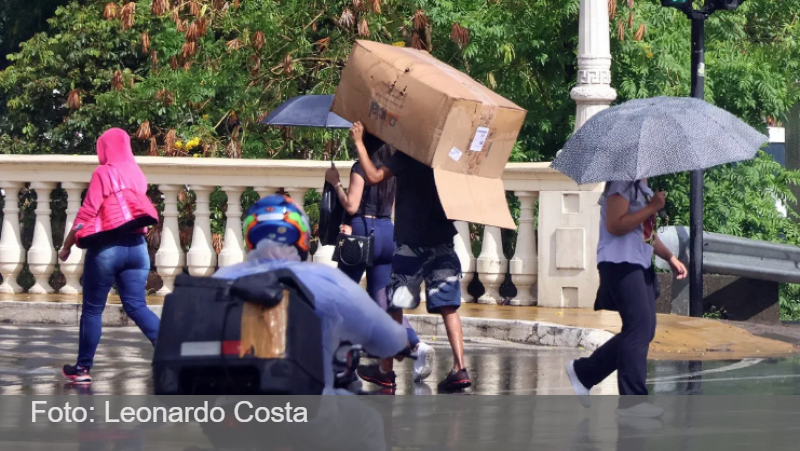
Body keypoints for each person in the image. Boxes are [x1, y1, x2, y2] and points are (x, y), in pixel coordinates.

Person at [212, 194, 410, 395]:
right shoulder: (324, 279)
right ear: (301, 236)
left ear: (250, 236)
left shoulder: (222, 277)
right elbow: (388, 339)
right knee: (370, 422)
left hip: (234, 401)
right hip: (308, 408)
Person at [347, 122, 470, 392]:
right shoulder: (446, 158)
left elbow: (374, 176)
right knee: (449, 307)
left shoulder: (408, 155)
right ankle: (460, 369)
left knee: (394, 304)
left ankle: (386, 372)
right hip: (443, 242)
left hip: (411, 245)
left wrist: (358, 142)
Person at [565, 179, 687, 417]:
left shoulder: (642, 187)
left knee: (643, 330)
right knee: (639, 329)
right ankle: (633, 404)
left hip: (637, 263)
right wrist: (652, 207)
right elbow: (614, 224)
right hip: (620, 262)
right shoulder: (622, 183)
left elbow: (644, 233)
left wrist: (670, 258)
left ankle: (585, 372)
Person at [324, 131, 435, 388]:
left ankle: (333, 352)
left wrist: (335, 184)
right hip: (387, 232)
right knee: (386, 302)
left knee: (340, 291)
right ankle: (416, 345)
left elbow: (351, 206)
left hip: (362, 233)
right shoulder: (390, 170)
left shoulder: (359, 169)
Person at [59, 128, 161, 383]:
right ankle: (169, 352)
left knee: (93, 310)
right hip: (138, 248)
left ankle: (82, 369)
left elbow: (86, 214)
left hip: (107, 249)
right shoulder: (137, 174)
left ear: (104, 148)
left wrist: (67, 245)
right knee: (137, 305)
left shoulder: (103, 172)